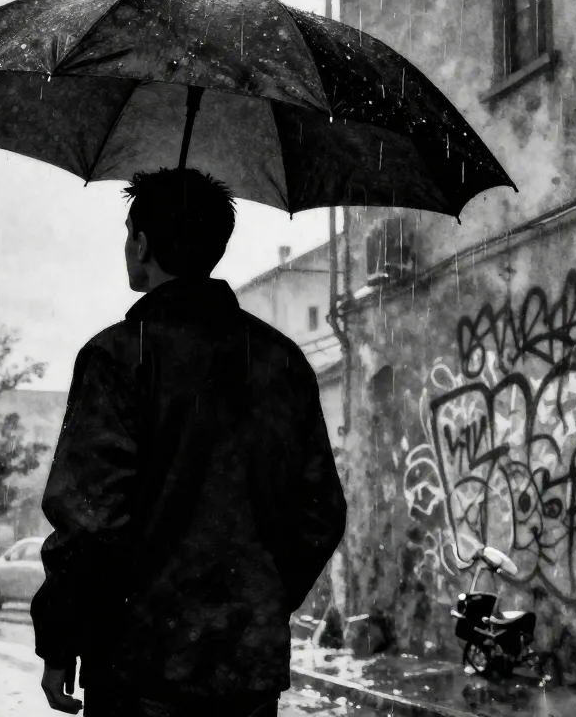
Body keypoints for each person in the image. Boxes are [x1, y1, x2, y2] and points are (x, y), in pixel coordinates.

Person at [31, 167, 348, 716]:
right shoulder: (281, 361)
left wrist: (60, 640)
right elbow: (320, 512)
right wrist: (258, 599)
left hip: (137, 668)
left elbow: (89, 521)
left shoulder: (117, 357)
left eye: (128, 233)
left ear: (142, 244)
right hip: (246, 672)